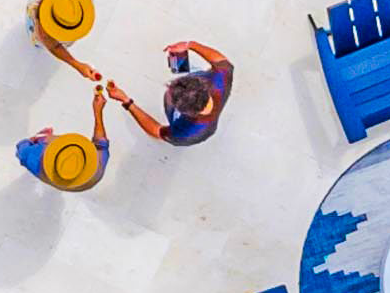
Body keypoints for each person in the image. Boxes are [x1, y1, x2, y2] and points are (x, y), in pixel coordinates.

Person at [105, 42, 233, 147]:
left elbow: (157, 131)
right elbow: (221, 60)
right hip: (200, 87)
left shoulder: (187, 132)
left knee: (178, 64)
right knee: (177, 61)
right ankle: (182, 69)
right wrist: (189, 45)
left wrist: (126, 101)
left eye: (171, 96)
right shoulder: (221, 79)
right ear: (202, 85)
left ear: (183, 111)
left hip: (189, 124)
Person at [15, 80, 110, 191]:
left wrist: (34, 140)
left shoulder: (34, 156)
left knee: (40, 141)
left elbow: (21, 147)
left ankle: (42, 137)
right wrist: (98, 110)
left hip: (39, 166)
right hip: (82, 186)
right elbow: (101, 143)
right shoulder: (97, 171)